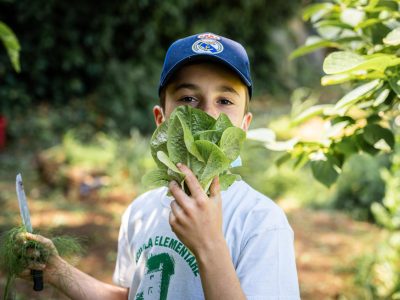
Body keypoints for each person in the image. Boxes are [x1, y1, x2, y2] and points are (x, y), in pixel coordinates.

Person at [21, 32, 300, 299]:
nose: (207, 112)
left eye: (225, 100)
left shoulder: (261, 222)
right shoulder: (140, 213)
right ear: (161, 119)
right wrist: (57, 271)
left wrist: (208, 244)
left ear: (244, 126)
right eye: (188, 98)